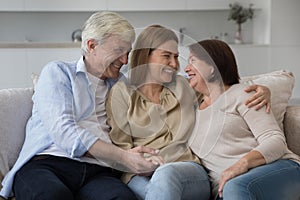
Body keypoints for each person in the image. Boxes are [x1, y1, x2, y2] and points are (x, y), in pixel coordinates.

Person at [0, 11, 162, 200]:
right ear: (91, 45)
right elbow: (66, 133)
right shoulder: (58, 72)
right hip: (47, 163)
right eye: (118, 51)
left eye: (128, 52)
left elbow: (139, 121)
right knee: (52, 196)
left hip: (98, 171)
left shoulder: (121, 85)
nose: (125, 60)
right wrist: (124, 157)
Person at [105, 25, 271, 200]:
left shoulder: (184, 86)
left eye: (176, 57)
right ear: (146, 56)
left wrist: (264, 89)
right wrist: (141, 163)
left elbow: (224, 86)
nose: (175, 64)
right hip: (139, 174)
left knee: (165, 175)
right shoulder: (121, 93)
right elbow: (121, 150)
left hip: (187, 170)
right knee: (157, 187)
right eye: (166, 56)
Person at [185, 39, 300, 200]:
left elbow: (275, 140)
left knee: (235, 185)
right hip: (230, 186)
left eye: (193, 61)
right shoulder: (191, 109)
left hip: (276, 168)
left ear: (212, 67)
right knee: (233, 187)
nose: (186, 68)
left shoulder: (243, 94)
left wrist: (240, 165)